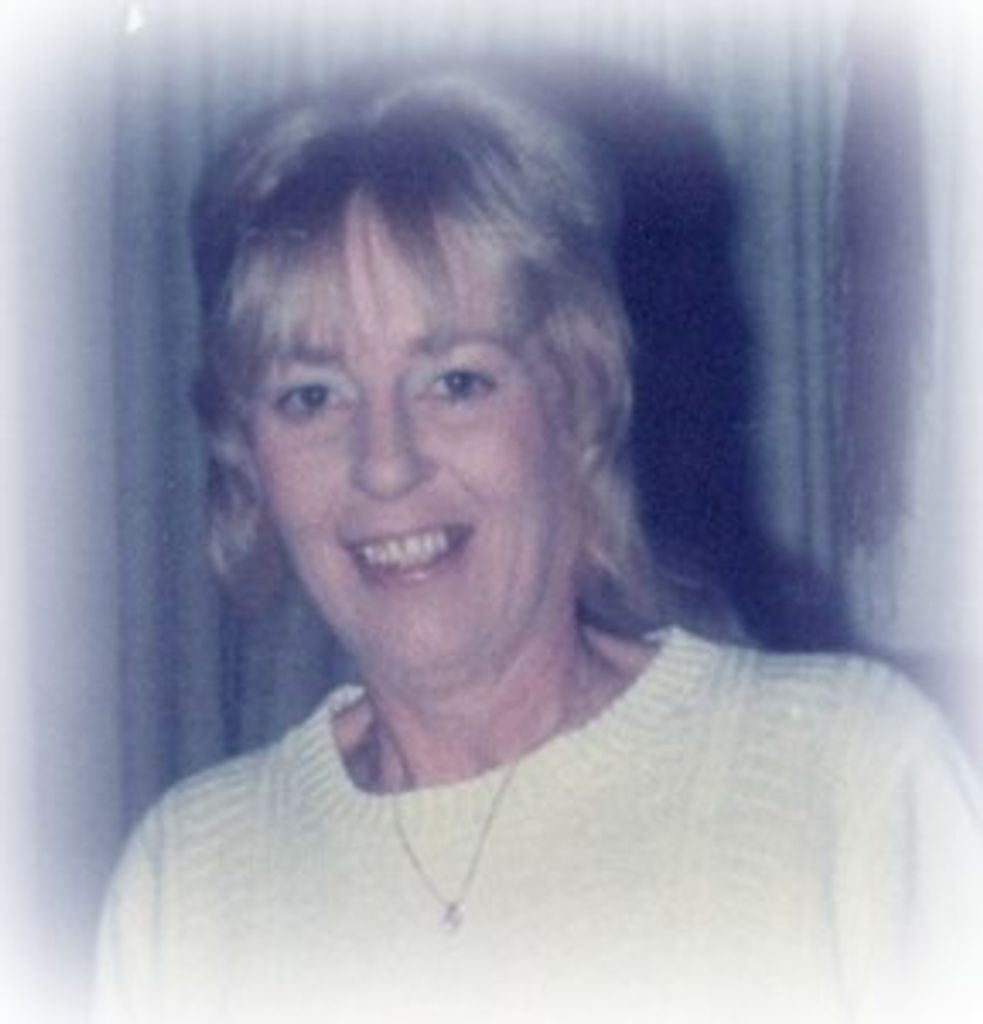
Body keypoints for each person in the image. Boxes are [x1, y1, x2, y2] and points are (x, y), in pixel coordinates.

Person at [95, 69, 983, 1024]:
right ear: (247, 456)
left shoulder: (849, 785)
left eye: (456, 381)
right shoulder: (185, 885)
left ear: (577, 399)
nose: (384, 465)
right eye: (311, 396)